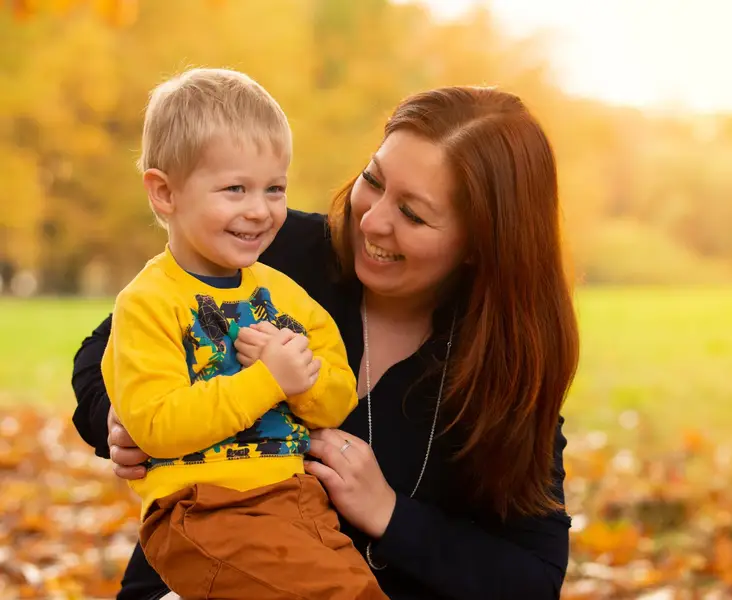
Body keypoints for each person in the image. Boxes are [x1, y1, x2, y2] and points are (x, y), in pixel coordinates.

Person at [72, 85, 580, 600]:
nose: (373, 220)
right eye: (373, 181)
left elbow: (532, 578)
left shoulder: (502, 373)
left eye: (413, 213)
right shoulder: (272, 251)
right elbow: (103, 351)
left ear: (479, 243)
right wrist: (120, 416)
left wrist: (389, 513)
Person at [97, 67, 386, 600]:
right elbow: (158, 425)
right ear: (164, 193)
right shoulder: (147, 303)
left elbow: (336, 399)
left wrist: (303, 383)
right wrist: (268, 380)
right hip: (204, 507)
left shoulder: (287, 296)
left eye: (274, 188)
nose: (260, 210)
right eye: (235, 189)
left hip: (297, 500)